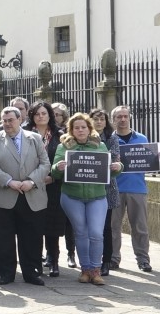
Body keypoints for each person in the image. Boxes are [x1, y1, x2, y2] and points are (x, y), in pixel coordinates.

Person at [52, 113, 122, 285]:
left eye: (83, 127)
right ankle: (85, 269)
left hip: (97, 196)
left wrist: (117, 167)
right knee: (81, 232)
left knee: (96, 233)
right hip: (72, 196)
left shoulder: (100, 145)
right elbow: (55, 173)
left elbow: (109, 172)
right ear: (71, 130)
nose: (80, 130)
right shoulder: (63, 147)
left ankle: (95, 270)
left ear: (89, 129)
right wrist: (58, 167)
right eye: (76, 128)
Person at [0, 106, 50, 286]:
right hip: (2, 195)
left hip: (31, 195)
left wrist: (32, 181)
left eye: (11, 120)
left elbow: (45, 164)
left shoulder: (35, 138)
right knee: (2, 237)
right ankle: (6, 273)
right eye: (4, 121)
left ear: (20, 120)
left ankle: (31, 272)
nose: (7, 124)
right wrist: (8, 181)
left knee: (31, 236)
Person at [24, 101, 65, 277]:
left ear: (50, 115)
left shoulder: (60, 135)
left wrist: (53, 177)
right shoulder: (24, 133)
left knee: (52, 225)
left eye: (44, 113)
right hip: (31, 185)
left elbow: (64, 160)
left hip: (53, 185)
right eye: (37, 114)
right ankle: (35, 262)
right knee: (33, 225)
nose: (41, 117)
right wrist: (35, 179)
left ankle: (53, 260)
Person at [110, 105, 152, 273]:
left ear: (130, 118)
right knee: (113, 227)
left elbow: (148, 162)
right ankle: (113, 258)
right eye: (119, 116)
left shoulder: (142, 138)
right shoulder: (109, 139)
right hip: (114, 189)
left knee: (140, 227)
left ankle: (143, 260)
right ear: (113, 119)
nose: (123, 119)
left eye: (125, 116)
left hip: (137, 188)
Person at [89, 108, 120, 276]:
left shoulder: (111, 138)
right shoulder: (85, 136)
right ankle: (90, 260)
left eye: (102, 119)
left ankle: (106, 260)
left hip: (107, 188)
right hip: (89, 186)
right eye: (96, 119)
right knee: (90, 228)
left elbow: (114, 157)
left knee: (106, 227)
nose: (99, 122)